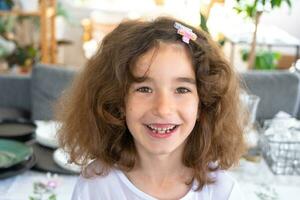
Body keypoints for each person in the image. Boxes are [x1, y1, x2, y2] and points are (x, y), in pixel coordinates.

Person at [57, 17, 247, 200]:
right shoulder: (96, 186)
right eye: (144, 89)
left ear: (203, 104)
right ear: (118, 102)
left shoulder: (222, 192)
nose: (163, 109)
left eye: (182, 89)